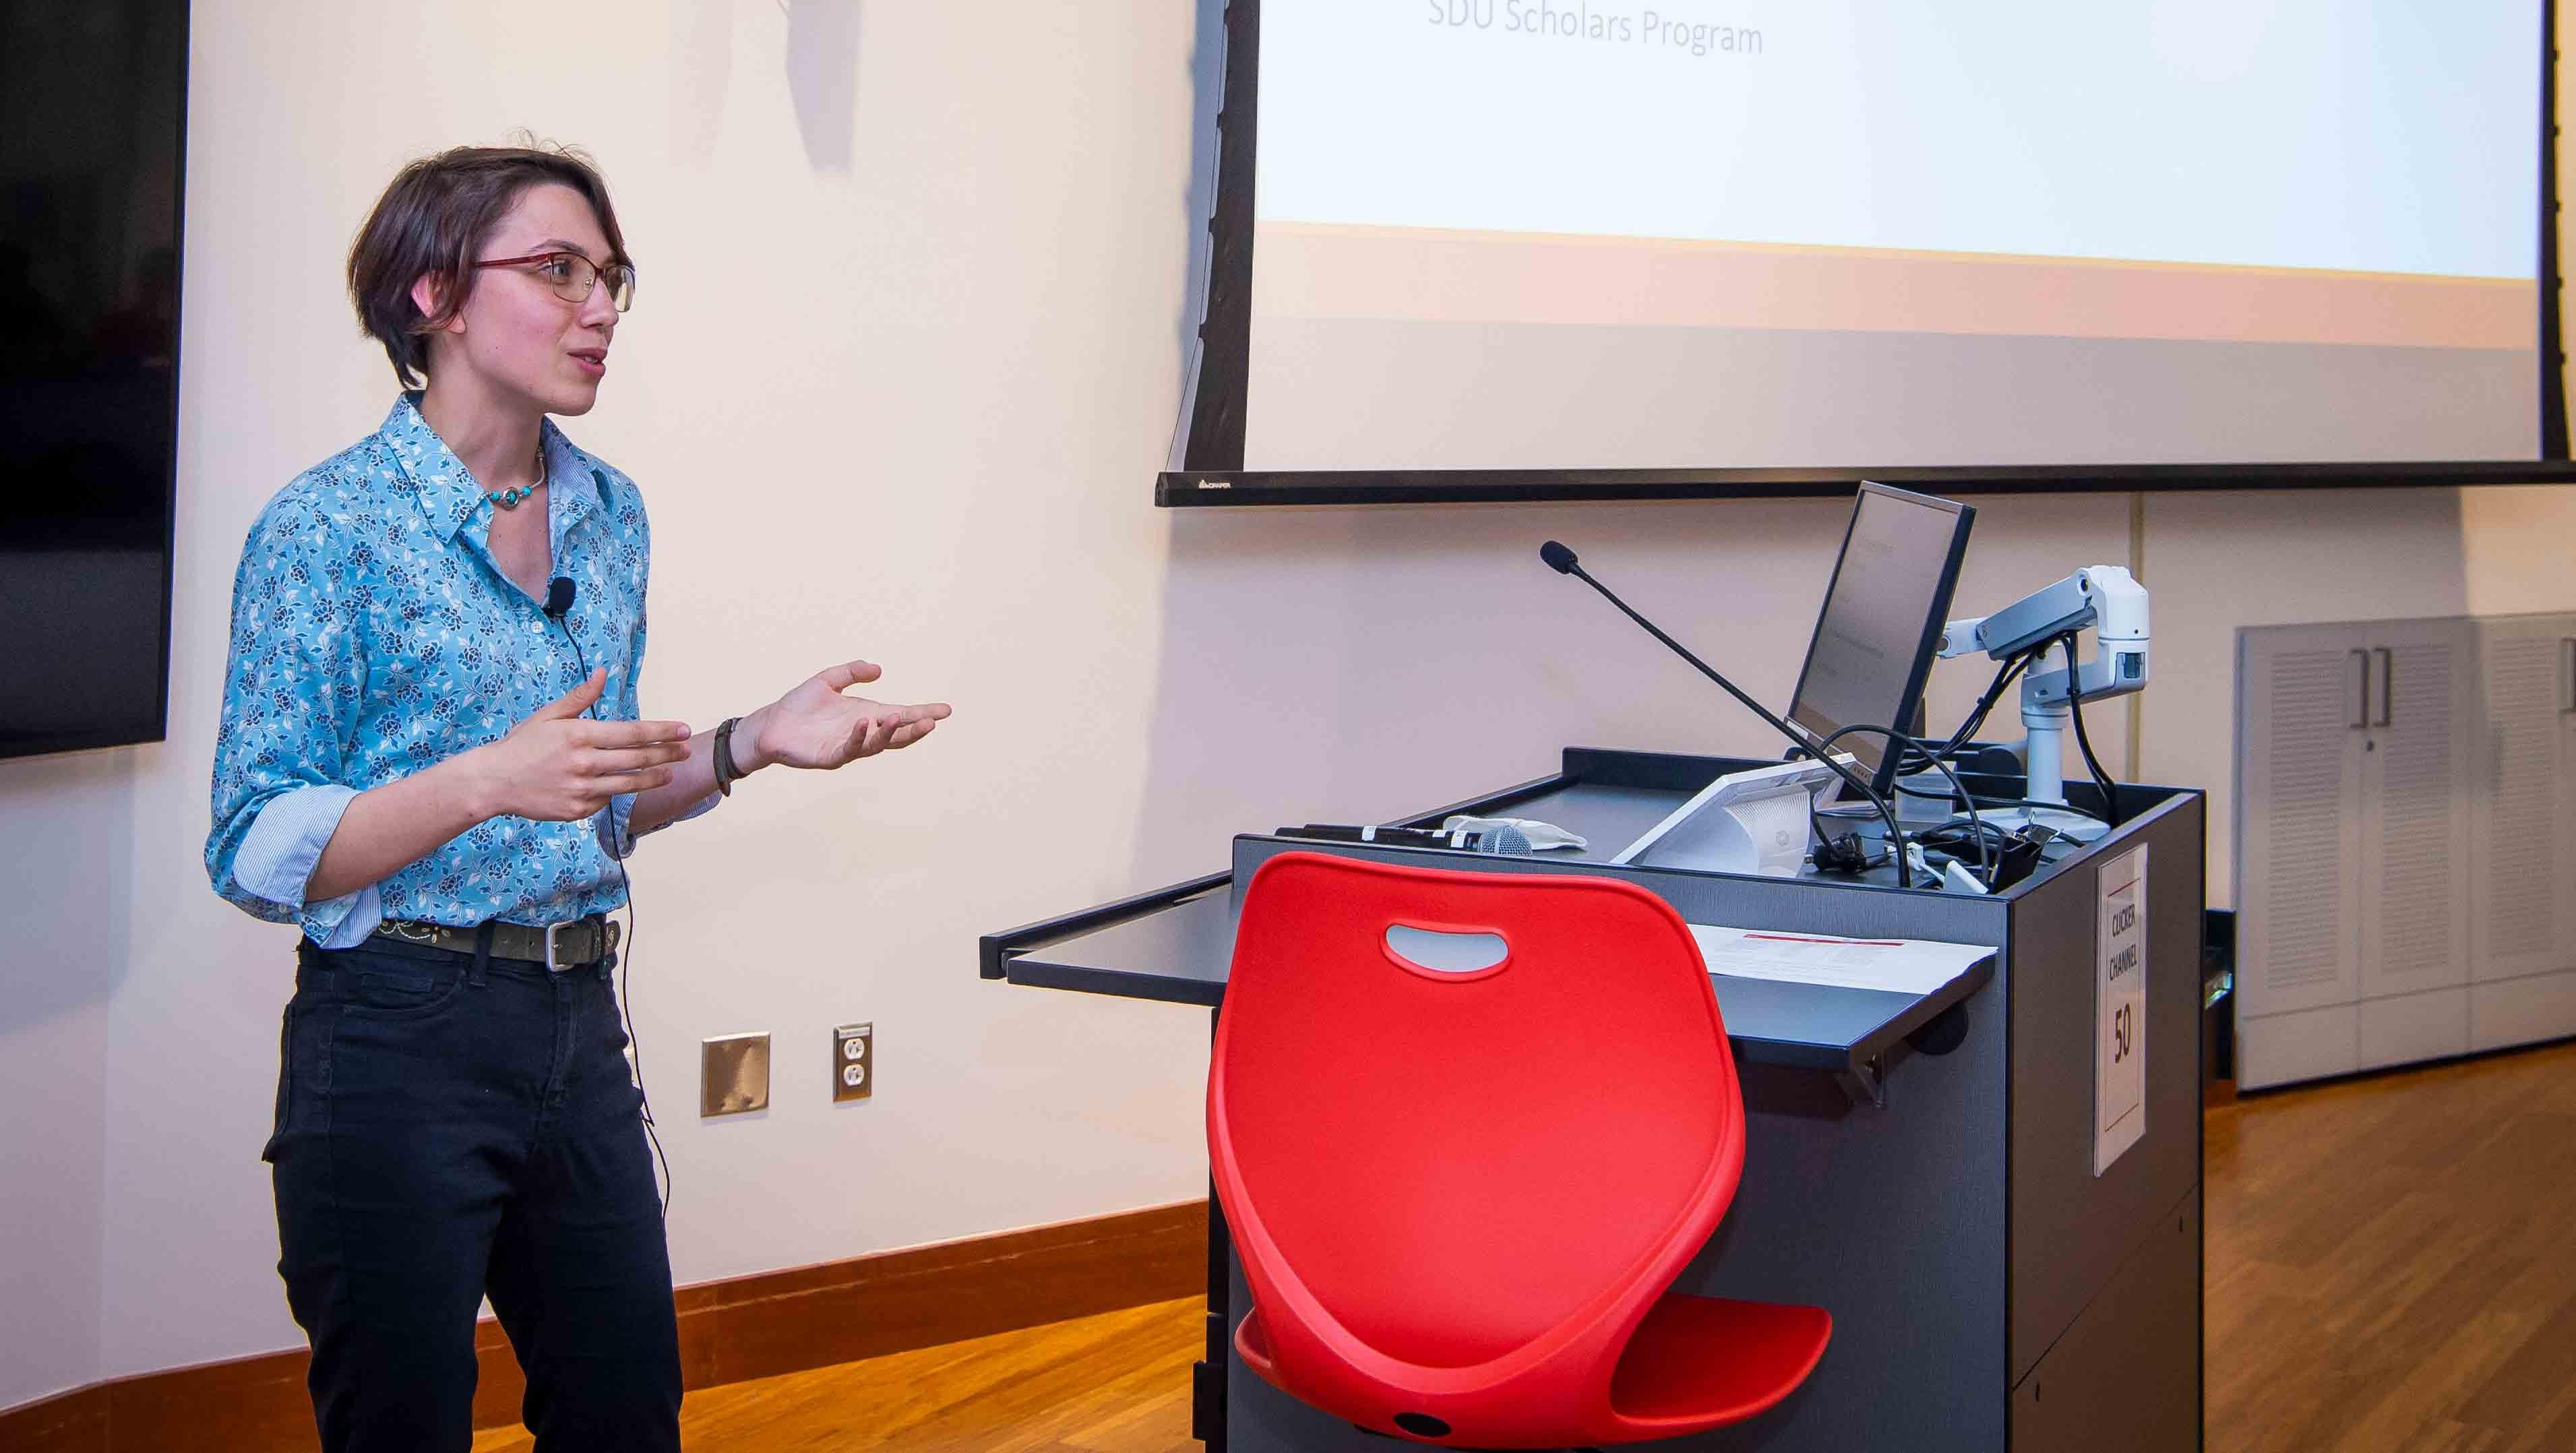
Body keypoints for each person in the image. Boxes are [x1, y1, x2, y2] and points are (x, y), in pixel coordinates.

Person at [206, 144, 950, 1452]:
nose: (601, 308)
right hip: (394, 1036)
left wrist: (750, 740)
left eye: (612, 277)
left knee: (626, 1415)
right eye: (560, 271)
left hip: (574, 1024)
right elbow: (256, 847)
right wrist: (484, 778)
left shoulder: (611, 514)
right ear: (432, 292)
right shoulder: (326, 530)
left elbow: (593, 795)